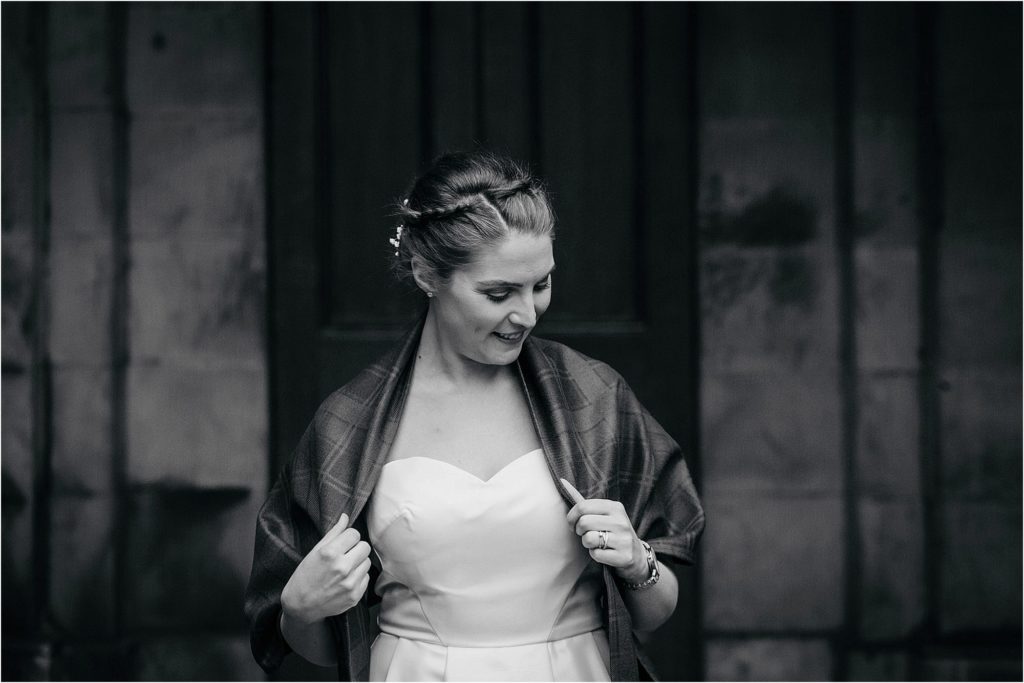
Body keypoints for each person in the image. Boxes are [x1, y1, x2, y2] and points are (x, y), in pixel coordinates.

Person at [245, 151, 705, 681]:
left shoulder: (595, 397)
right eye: (498, 292)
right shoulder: (349, 423)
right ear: (426, 273)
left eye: (541, 284)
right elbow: (326, 649)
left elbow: (657, 611)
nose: (527, 314)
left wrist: (636, 561)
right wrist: (301, 607)